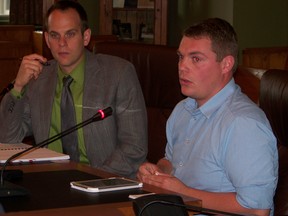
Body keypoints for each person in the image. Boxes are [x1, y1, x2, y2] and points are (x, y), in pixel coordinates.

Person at [137, 18, 278, 216]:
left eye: (195, 59)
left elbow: (256, 209)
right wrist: (158, 172)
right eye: (180, 57)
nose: (182, 67)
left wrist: (183, 193)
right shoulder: (182, 110)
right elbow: (172, 161)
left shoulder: (243, 124)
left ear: (226, 64)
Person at [0, 0, 147, 178]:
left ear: (85, 37)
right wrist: (18, 87)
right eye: (55, 35)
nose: (62, 43)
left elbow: (134, 148)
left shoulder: (118, 74)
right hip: (49, 181)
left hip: (104, 181)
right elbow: (8, 139)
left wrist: (91, 180)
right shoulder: (39, 78)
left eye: (70, 34)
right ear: (47, 39)